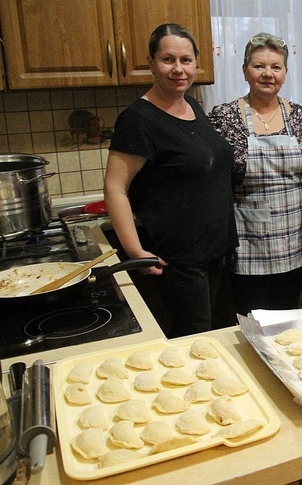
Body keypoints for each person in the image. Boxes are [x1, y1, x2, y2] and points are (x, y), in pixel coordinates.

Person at [104, 23, 237, 338]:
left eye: (186, 60)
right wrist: (136, 252)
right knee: (194, 340)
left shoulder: (191, 105)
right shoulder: (138, 120)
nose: (179, 69)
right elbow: (115, 187)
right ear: (150, 62)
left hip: (216, 248)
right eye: (168, 60)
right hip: (179, 258)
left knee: (220, 335)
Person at [208, 33, 302, 315]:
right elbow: (213, 181)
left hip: (294, 239)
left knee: (288, 319)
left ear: (285, 73)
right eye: (259, 66)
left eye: (276, 67)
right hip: (248, 242)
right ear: (245, 70)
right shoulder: (225, 117)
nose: (268, 74)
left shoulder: (301, 117)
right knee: (252, 320)